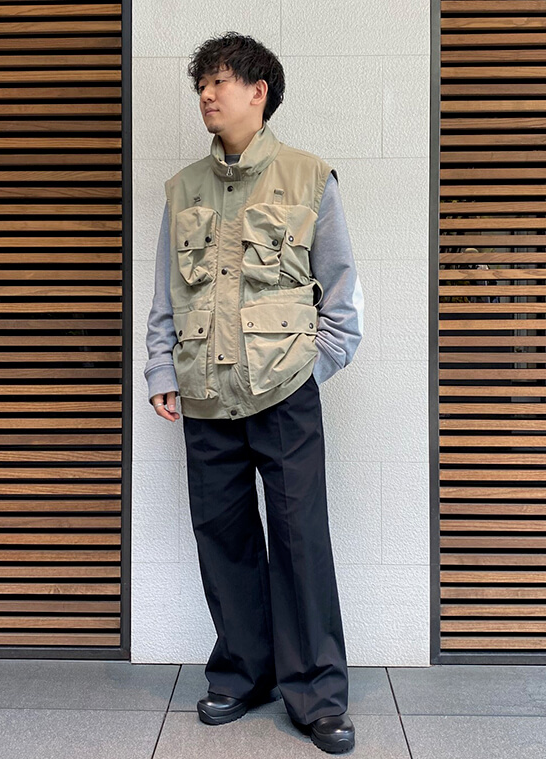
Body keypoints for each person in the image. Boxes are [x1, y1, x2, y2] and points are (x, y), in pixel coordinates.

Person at [144, 31, 364, 755]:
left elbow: (342, 297)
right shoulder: (183, 188)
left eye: (219, 81)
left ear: (257, 91)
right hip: (205, 394)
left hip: (285, 394)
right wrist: (162, 371)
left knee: (301, 542)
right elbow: (166, 296)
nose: (207, 94)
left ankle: (318, 693)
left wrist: (310, 370)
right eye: (201, 84)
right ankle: (244, 672)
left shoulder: (309, 177)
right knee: (224, 539)